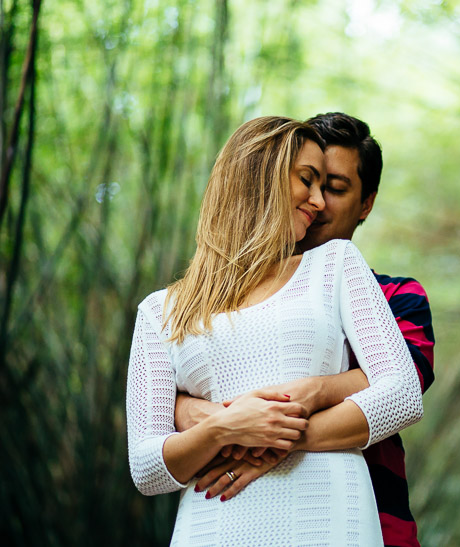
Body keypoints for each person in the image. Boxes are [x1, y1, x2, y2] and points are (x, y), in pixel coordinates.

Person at [126, 116, 423, 545]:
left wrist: (272, 431)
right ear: (260, 175)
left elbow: (401, 395)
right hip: (213, 525)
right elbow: (147, 468)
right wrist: (223, 429)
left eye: (329, 187)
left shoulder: (337, 264)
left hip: (329, 518)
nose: (319, 202)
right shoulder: (160, 311)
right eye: (308, 180)